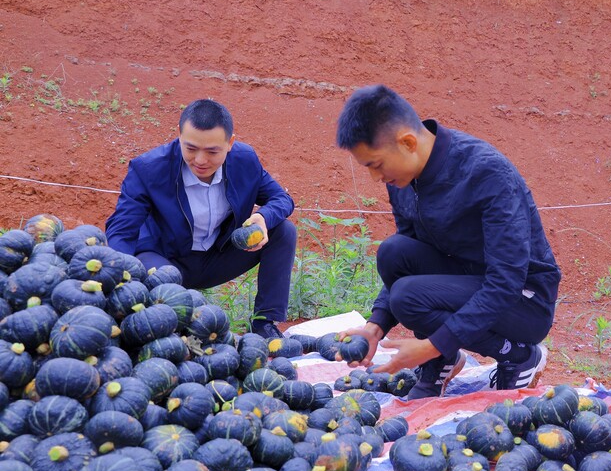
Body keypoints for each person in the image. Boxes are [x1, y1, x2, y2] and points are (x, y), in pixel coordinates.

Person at [334, 85, 561, 399]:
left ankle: (519, 356)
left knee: (408, 297)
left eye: (376, 165)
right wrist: (376, 326)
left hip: (523, 300)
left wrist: (430, 345)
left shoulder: (487, 173)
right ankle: (443, 361)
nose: (376, 178)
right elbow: (407, 255)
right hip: (468, 278)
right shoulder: (404, 179)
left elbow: (505, 282)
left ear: (408, 142)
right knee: (393, 253)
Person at [105, 99, 297, 339]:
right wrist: (116, 283)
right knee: (168, 295)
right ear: (179, 136)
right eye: (191, 148)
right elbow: (121, 231)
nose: (201, 160)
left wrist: (262, 217)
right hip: (163, 259)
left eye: (212, 151)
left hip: (217, 258)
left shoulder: (244, 161)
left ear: (230, 143)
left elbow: (282, 199)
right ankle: (169, 328)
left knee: (283, 231)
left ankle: (264, 323)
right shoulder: (149, 169)